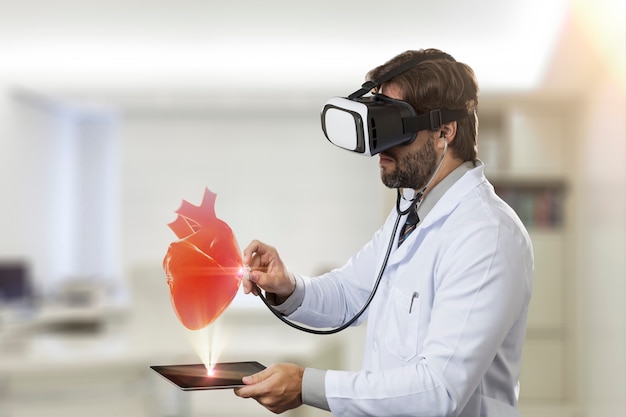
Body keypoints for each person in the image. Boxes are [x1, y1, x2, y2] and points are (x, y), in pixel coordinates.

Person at [234, 48, 534, 417]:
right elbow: (351, 296)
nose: (380, 146)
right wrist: (286, 286)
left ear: (445, 132)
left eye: (395, 128)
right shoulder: (410, 213)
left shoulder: (487, 237)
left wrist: (306, 386)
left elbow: (438, 389)